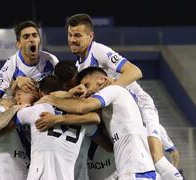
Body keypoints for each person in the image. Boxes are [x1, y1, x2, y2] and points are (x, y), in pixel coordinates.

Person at [63, 13, 183, 180]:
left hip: (140, 106)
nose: (72, 40)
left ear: (90, 36)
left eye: (77, 35)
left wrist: (112, 89)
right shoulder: (79, 65)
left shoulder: (99, 51)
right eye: (70, 35)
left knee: (157, 158)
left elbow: (135, 71)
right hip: (125, 115)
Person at [37, 67, 156, 180]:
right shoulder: (109, 104)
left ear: (101, 79)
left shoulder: (113, 90)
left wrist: (52, 101)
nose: (86, 90)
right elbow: (92, 116)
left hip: (137, 170)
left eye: (87, 85)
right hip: (132, 169)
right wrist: (71, 93)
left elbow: (82, 107)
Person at [0, 75, 112, 180]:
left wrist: (15, 107)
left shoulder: (36, 110)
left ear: (41, 94)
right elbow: (107, 144)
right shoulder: (83, 119)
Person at [0, 20, 59, 106]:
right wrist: (15, 84)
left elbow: (61, 87)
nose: (31, 39)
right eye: (26, 37)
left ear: (39, 40)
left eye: (35, 35)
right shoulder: (11, 66)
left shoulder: (51, 60)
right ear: (18, 44)